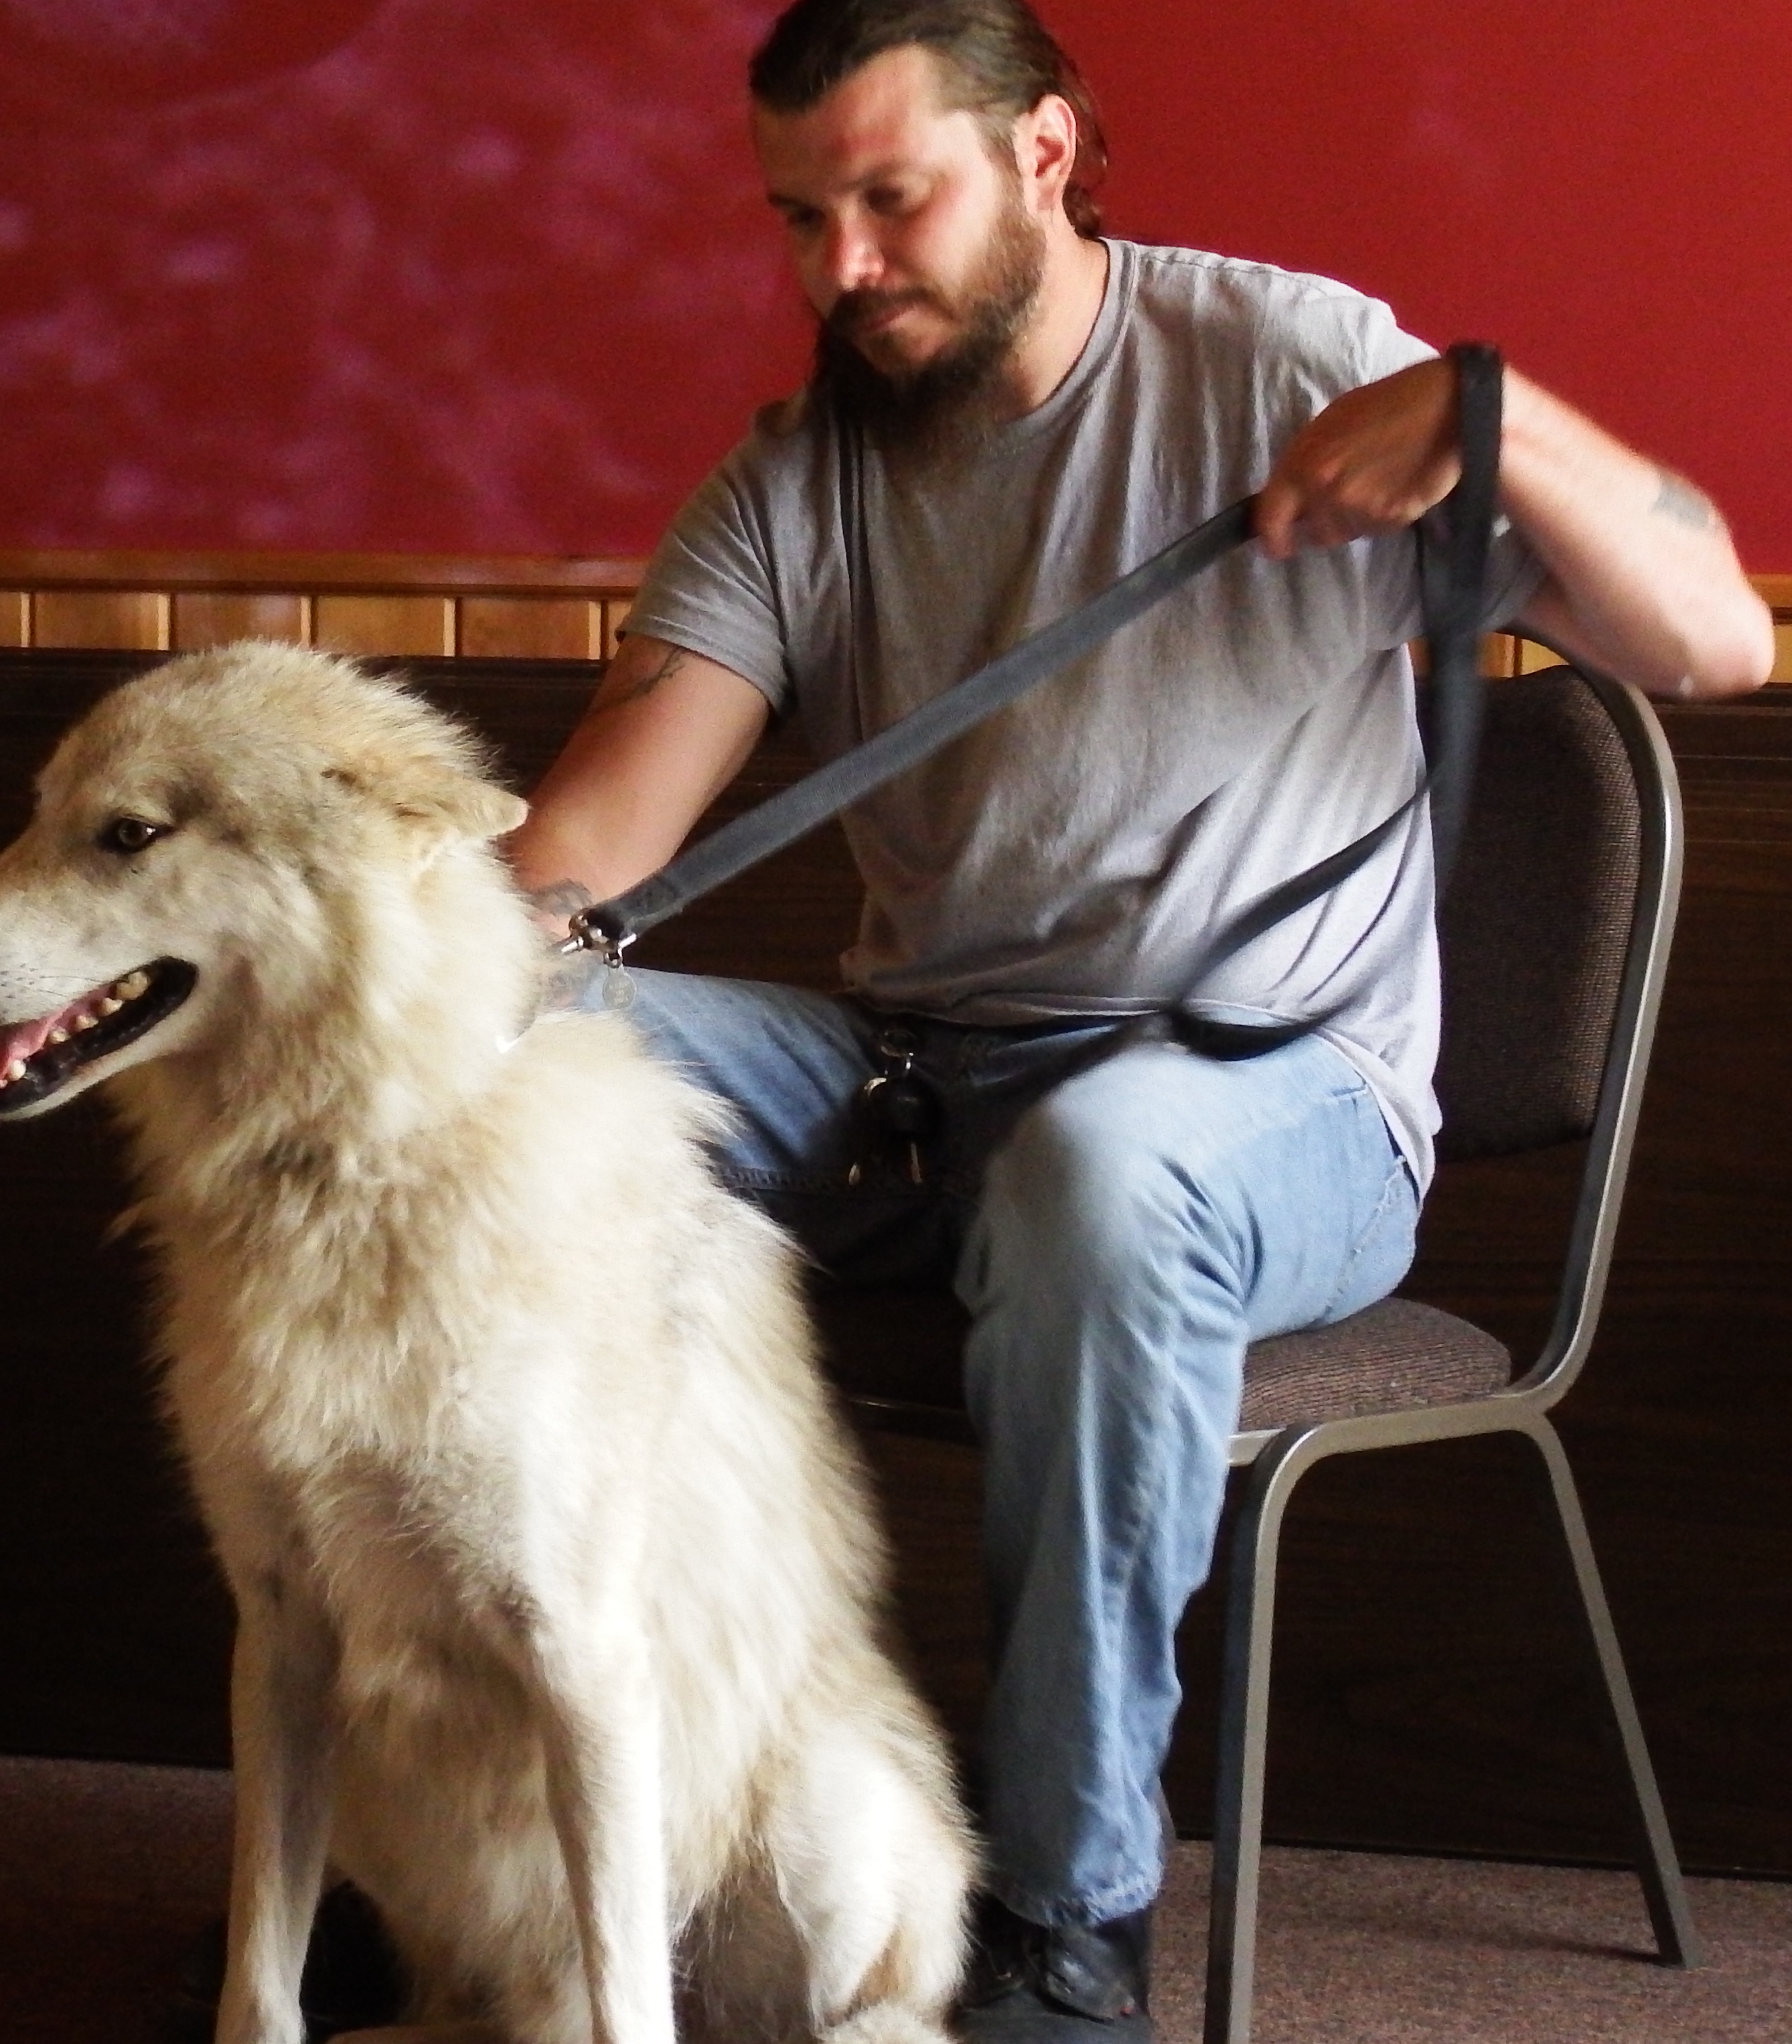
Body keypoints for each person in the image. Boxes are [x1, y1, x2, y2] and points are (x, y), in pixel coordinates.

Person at [505, 3, 1773, 2039]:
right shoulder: (801, 469)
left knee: (1107, 1172)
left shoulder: (1285, 358)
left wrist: (1489, 408)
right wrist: (385, 976)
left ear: (1047, 155)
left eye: (890, 198)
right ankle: (514, 1843)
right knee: (511, 1061)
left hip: (1278, 1111)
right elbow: (588, 843)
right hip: (917, 1089)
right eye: (800, 217)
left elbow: (1712, 638)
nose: (841, 268)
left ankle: (1062, 1925)